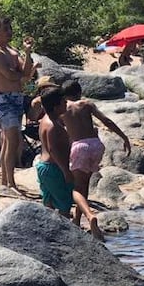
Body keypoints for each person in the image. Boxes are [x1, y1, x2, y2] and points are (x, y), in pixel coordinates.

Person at [61, 79, 131, 226]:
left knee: (76, 187)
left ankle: (89, 215)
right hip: (96, 145)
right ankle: (77, 220)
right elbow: (107, 121)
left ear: (64, 95)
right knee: (84, 184)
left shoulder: (63, 108)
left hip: (79, 146)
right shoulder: (87, 104)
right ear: (79, 92)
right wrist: (124, 137)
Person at [38, 87, 103, 240]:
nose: (66, 104)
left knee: (48, 202)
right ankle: (65, 238)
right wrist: (65, 171)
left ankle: (49, 235)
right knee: (64, 207)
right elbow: (53, 149)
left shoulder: (45, 121)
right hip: (54, 169)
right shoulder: (54, 126)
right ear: (56, 106)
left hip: (43, 167)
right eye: (63, 102)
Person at [0, 17, 34, 191]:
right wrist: (21, 74)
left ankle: (5, 180)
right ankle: (10, 182)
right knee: (12, 140)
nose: (9, 32)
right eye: (6, 29)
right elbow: (10, 75)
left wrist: (27, 53)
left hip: (17, 97)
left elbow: (26, 73)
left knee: (8, 140)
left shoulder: (12, 51)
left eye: (10, 28)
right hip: (3, 98)